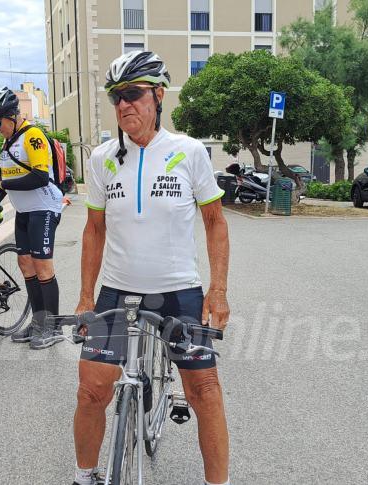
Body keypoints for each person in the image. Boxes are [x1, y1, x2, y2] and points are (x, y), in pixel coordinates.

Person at [72, 51, 232, 485]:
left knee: (205, 391)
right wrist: (86, 296)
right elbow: (93, 229)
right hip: (118, 291)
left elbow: (215, 223)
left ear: (159, 96)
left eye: (133, 94)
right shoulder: (103, 157)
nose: (124, 105)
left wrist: (217, 291)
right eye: (116, 97)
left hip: (179, 292)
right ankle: (84, 476)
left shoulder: (189, 151)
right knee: (91, 391)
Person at [0, 87, 63, 349]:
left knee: (42, 267)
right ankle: (38, 322)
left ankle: (53, 325)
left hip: (43, 207)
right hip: (24, 212)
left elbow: (39, 178)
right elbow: (7, 183)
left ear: (11, 116)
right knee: (25, 264)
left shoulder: (33, 137)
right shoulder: (8, 144)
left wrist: (6, 182)